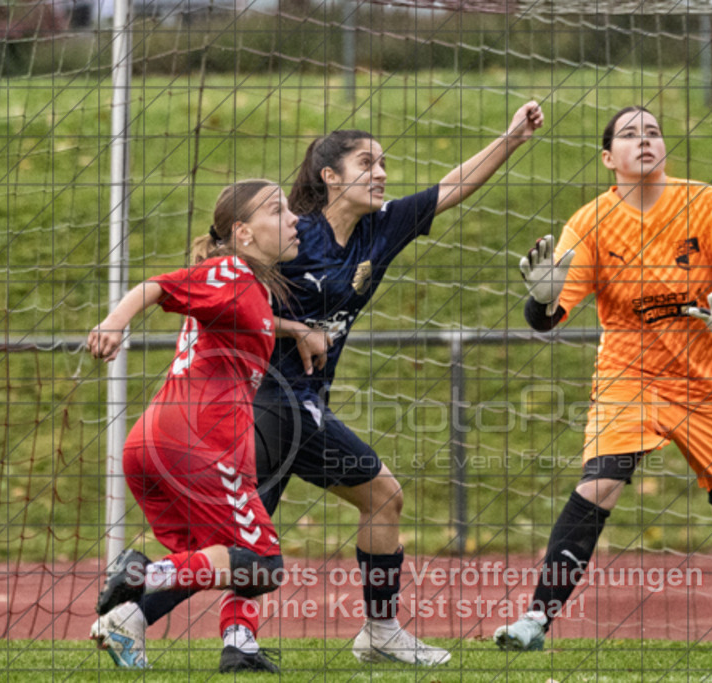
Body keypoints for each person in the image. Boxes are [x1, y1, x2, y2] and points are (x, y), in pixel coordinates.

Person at [129, 101, 545, 667]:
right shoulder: (293, 235)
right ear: (330, 176)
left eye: (383, 162)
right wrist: (293, 326)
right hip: (264, 401)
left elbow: (451, 188)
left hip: (296, 406)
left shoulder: (380, 229)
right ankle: (363, 632)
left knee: (275, 529)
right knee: (350, 506)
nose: (381, 172)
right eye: (366, 162)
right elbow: (228, 300)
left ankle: (195, 628)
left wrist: (512, 137)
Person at [494, 106, 712, 651]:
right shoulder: (590, 222)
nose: (644, 140)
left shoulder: (706, 202)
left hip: (711, 383)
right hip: (631, 375)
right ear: (607, 158)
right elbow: (547, 316)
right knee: (600, 483)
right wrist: (542, 300)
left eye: (653, 131)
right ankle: (534, 621)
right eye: (629, 134)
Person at [87, 180, 301, 673]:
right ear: (243, 233)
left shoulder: (242, 286)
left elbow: (252, 322)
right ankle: (141, 572)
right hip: (200, 444)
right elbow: (156, 286)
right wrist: (115, 322)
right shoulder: (228, 272)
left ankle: (129, 628)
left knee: (210, 561)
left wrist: (299, 330)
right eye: (278, 210)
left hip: (152, 443)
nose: (293, 219)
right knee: (262, 564)